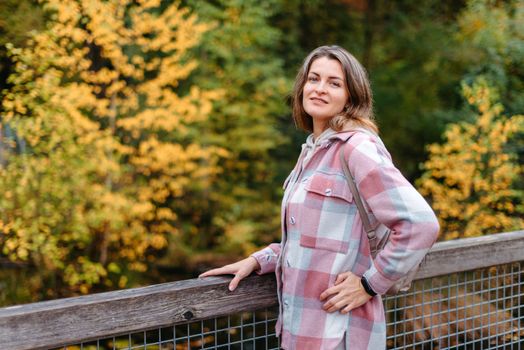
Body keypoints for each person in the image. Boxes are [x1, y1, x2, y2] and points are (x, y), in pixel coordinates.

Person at [200, 45, 440, 350]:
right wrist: (259, 260)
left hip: (341, 334)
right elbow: (316, 241)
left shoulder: (357, 149)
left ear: (352, 96)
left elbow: (421, 224)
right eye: (313, 79)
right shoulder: (312, 152)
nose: (320, 89)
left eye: (334, 83)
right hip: (301, 335)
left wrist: (370, 284)